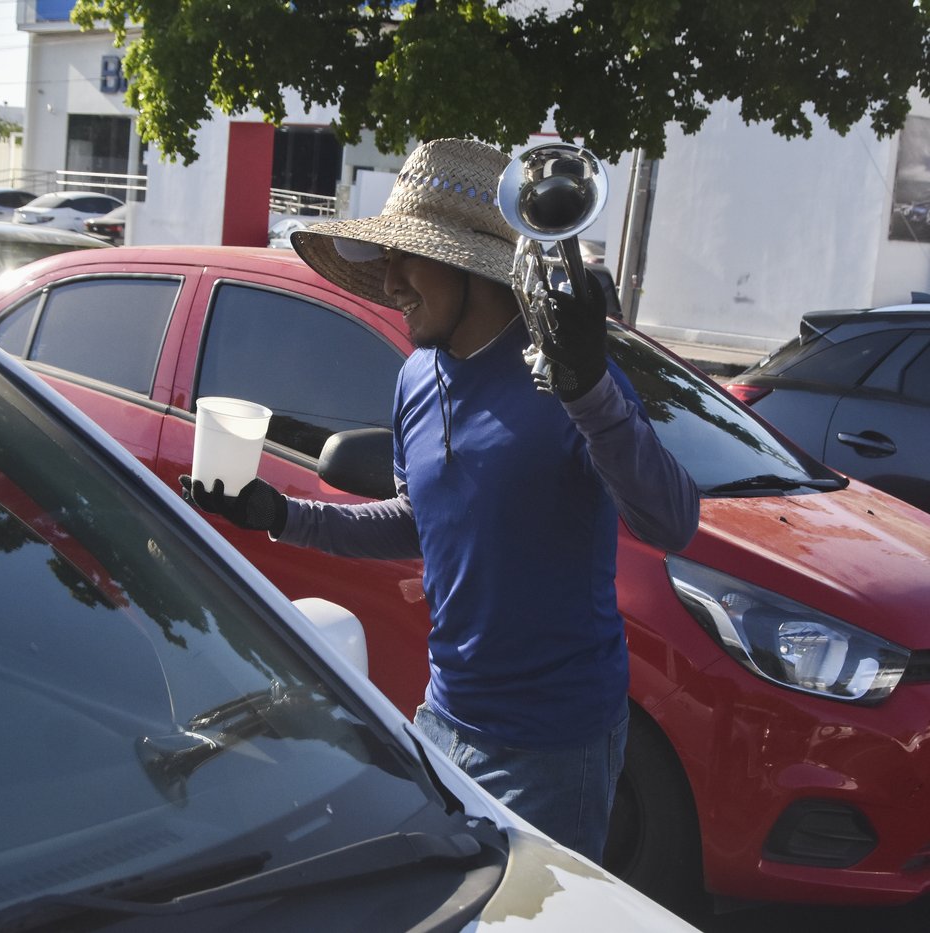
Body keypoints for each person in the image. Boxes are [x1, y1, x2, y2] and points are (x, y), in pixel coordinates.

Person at [181, 138, 699, 861]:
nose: (389, 281)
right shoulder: (416, 376)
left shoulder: (570, 375)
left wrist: (589, 391)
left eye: (407, 257)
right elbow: (422, 522)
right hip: (445, 715)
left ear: (467, 265)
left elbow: (672, 520)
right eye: (386, 257)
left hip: (554, 742)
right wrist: (282, 516)